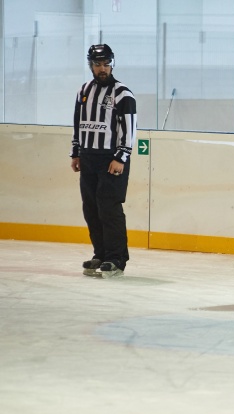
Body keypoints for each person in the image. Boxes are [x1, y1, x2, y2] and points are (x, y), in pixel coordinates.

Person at [69, 44, 137, 278]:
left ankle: (117, 258)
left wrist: (121, 157)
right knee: (91, 208)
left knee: (109, 209)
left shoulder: (123, 93)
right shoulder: (84, 90)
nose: (102, 69)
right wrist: (76, 152)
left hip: (111, 160)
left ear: (112, 63)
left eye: (106, 64)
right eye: (98, 64)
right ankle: (101, 253)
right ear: (91, 65)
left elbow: (129, 129)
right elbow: (78, 123)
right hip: (88, 158)